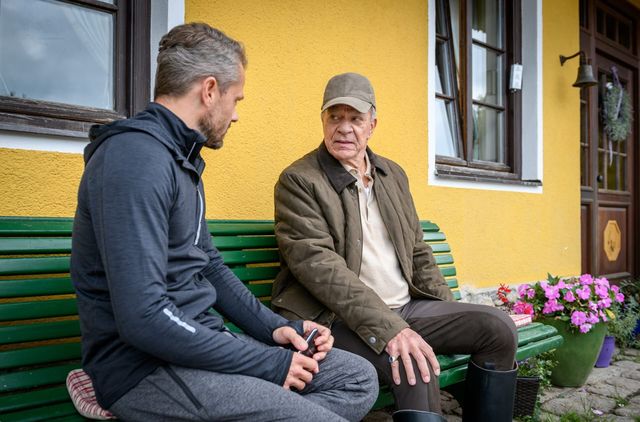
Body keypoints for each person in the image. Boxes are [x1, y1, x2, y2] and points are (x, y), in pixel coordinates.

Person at [70, 24, 378, 422]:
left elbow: (209, 265)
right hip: (146, 368)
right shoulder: (134, 161)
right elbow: (144, 318)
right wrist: (268, 364)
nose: (235, 115)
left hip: (200, 346)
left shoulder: (180, 159)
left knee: (357, 378)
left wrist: (273, 329)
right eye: (235, 100)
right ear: (210, 90)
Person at [272, 72, 519, 422]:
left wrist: (450, 310)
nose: (344, 128)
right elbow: (320, 268)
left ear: (372, 125)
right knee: (413, 362)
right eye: (335, 117)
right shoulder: (299, 180)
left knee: (498, 328)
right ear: (323, 121)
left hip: (406, 307)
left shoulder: (392, 174)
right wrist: (391, 330)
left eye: (355, 118)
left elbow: (417, 251)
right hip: (334, 319)